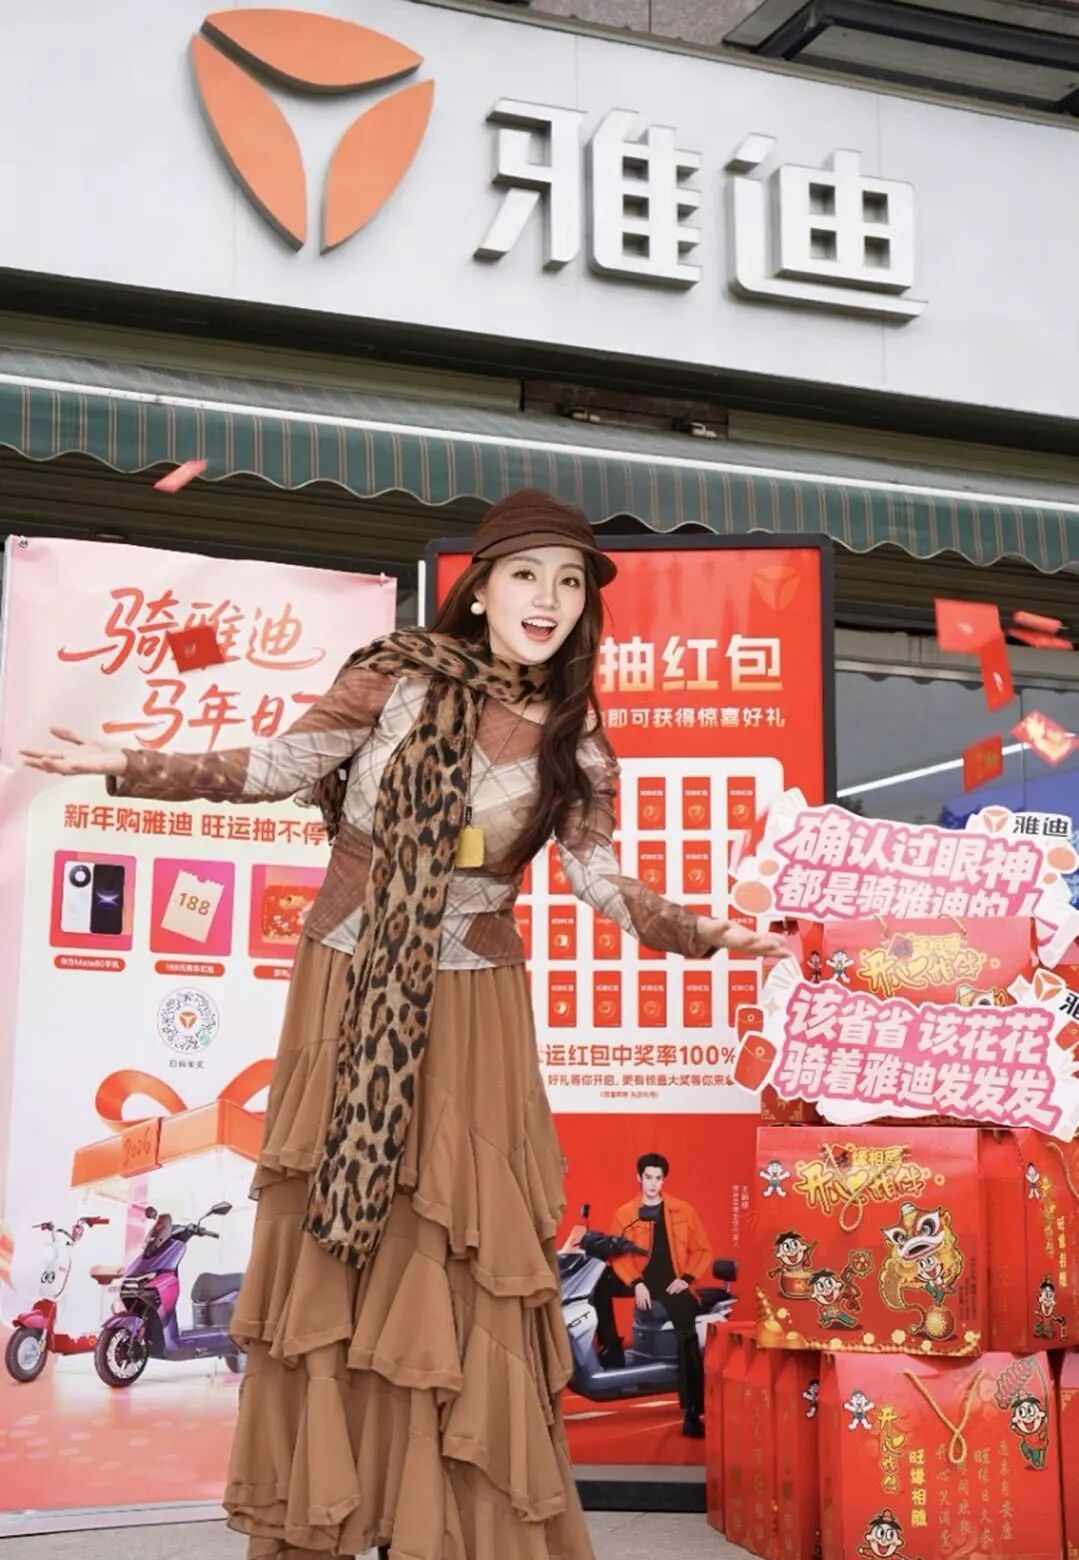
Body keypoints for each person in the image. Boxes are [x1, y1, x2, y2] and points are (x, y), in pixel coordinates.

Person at [21, 489, 786, 1560]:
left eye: (570, 582)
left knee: (452, 1251)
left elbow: (599, 880)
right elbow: (276, 767)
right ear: (480, 588)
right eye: (527, 574)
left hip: (471, 1007)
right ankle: (340, 1505)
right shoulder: (394, 673)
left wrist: (705, 934)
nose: (549, 599)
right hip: (348, 980)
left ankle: (442, 1520)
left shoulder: (574, 735)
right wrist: (124, 761)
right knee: (340, 1257)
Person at [591, 1152, 713, 1438]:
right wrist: (636, 1283)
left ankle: (693, 1413)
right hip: (641, 1279)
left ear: (663, 1180)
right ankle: (612, 1350)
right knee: (599, 1284)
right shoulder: (625, 1213)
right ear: (639, 1178)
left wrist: (686, 1279)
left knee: (687, 1335)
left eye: (658, 1178)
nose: (653, 1183)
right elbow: (618, 1256)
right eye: (648, 1177)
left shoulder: (682, 1210)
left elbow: (703, 1250)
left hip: (672, 1282)